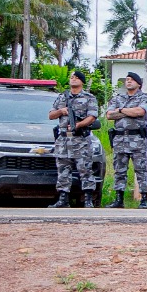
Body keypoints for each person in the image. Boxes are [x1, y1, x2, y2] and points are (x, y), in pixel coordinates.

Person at [48, 69, 100, 208]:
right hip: (64, 139)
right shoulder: (62, 97)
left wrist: (79, 125)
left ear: (82, 81)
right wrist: (61, 111)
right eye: (72, 77)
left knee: (85, 169)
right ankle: (63, 199)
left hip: (80, 140)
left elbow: (92, 117)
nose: (73, 79)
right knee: (63, 170)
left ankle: (88, 199)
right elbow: (51, 115)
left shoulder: (89, 98)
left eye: (77, 77)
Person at [104, 70, 147, 208]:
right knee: (119, 170)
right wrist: (126, 111)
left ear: (138, 83)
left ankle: (144, 199)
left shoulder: (144, 98)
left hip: (137, 139)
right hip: (120, 139)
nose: (128, 81)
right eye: (127, 79)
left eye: (131, 79)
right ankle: (119, 199)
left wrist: (120, 110)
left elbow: (140, 112)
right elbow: (109, 115)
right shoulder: (117, 98)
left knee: (141, 170)